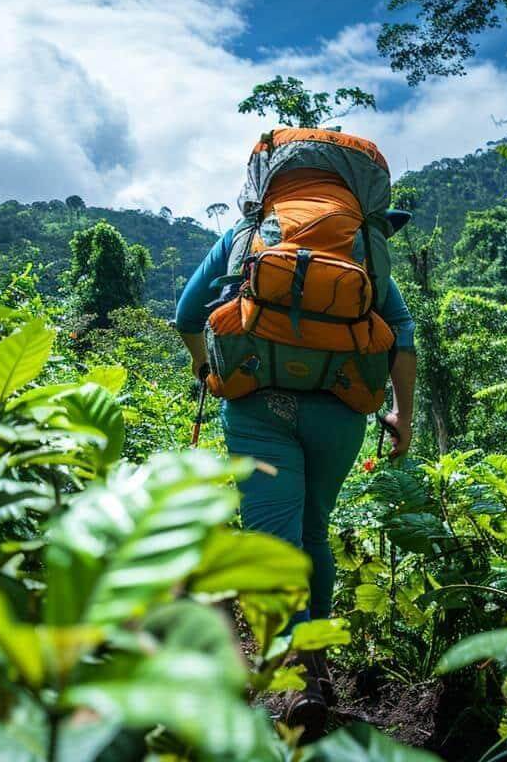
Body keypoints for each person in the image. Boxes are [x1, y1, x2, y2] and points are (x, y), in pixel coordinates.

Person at [175, 129, 416, 737]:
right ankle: (317, 665)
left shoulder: (246, 236)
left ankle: (293, 675)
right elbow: (401, 334)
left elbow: (185, 314)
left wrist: (206, 370)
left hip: (257, 405)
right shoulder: (363, 245)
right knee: (312, 532)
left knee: (272, 538)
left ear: (272, 182)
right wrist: (403, 415)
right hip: (340, 409)